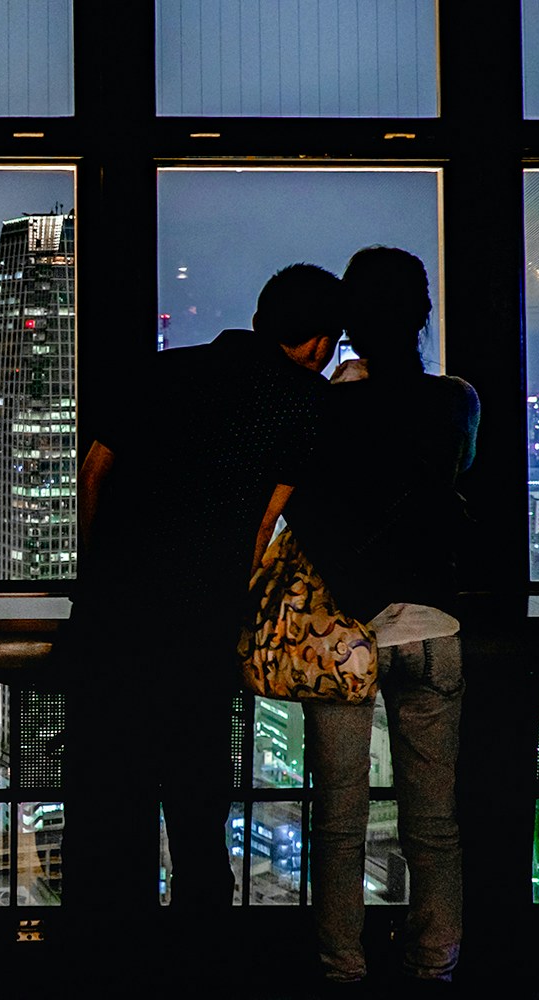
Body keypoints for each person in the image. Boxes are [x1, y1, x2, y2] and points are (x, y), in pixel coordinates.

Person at [76, 263, 343, 910]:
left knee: (115, 798)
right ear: (316, 343)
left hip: (114, 620)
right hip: (198, 627)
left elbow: (94, 471)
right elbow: (260, 527)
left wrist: (101, 568)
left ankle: (106, 952)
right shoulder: (303, 403)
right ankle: (201, 959)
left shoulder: (164, 370)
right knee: (197, 814)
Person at [286, 246, 479, 989]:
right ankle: (436, 961)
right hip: (435, 627)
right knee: (434, 821)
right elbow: (457, 480)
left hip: (345, 632)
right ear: (423, 316)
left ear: (349, 326)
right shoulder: (458, 399)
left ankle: (342, 963)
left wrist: (343, 386)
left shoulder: (327, 407)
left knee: (341, 822)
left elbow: (306, 500)